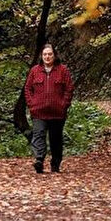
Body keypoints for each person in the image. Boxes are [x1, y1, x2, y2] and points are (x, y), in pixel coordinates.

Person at [23, 43, 75, 174]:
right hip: (38, 112)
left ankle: (55, 164)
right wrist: (31, 104)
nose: (47, 57)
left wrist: (64, 104)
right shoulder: (35, 70)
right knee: (38, 135)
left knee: (55, 139)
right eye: (45, 54)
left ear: (55, 55)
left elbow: (69, 89)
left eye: (50, 54)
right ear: (41, 56)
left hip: (57, 112)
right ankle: (39, 160)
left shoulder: (63, 70)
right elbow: (28, 89)